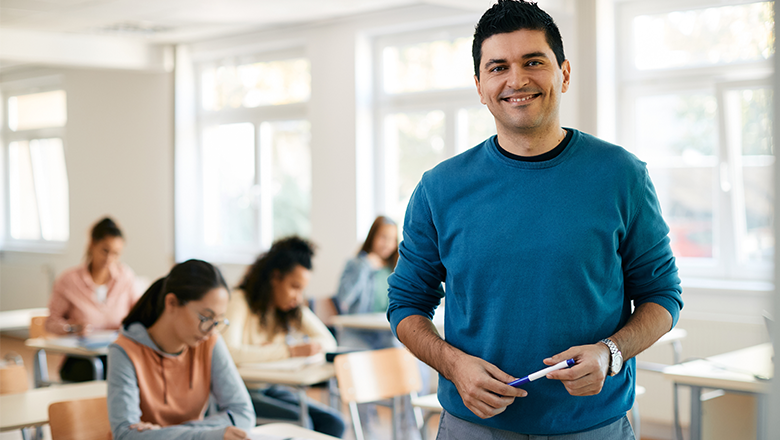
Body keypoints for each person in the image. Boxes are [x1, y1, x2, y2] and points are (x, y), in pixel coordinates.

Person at [387, 1, 684, 439]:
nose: (516, 80)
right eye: (498, 67)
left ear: (563, 72)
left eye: (533, 62)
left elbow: (663, 295)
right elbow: (406, 304)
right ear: (479, 85)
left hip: (593, 426)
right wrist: (454, 365)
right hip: (474, 426)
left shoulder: (622, 176)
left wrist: (611, 353)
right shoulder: (439, 188)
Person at [107, 259, 255, 440]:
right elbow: (125, 435)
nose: (211, 330)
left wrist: (163, 433)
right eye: (205, 317)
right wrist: (204, 435)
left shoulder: (209, 341)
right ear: (171, 303)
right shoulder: (124, 350)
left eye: (218, 320)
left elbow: (244, 414)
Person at [224, 237, 346, 438]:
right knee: (303, 422)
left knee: (334, 423)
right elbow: (230, 352)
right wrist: (287, 350)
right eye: (294, 286)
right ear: (275, 277)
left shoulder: (289, 308)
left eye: (302, 289)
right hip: (242, 393)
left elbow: (327, 341)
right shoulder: (239, 301)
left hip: (269, 388)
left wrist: (270, 351)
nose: (298, 297)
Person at [46, 217, 141, 382]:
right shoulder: (69, 280)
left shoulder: (125, 277)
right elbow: (51, 323)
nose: (109, 258)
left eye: (116, 253)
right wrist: (72, 328)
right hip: (82, 358)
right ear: (92, 245)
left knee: (133, 369)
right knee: (112, 373)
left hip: (118, 351)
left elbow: (141, 313)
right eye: (105, 250)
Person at [335, 215, 399, 349]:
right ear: (372, 237)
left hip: (386, 334)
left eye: (392, 239)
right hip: (358, 334)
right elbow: (344, 298)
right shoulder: (355, 264)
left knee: (409, 359)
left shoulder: (395, 269)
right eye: (383, 237)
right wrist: (365, 266)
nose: (388, 244)